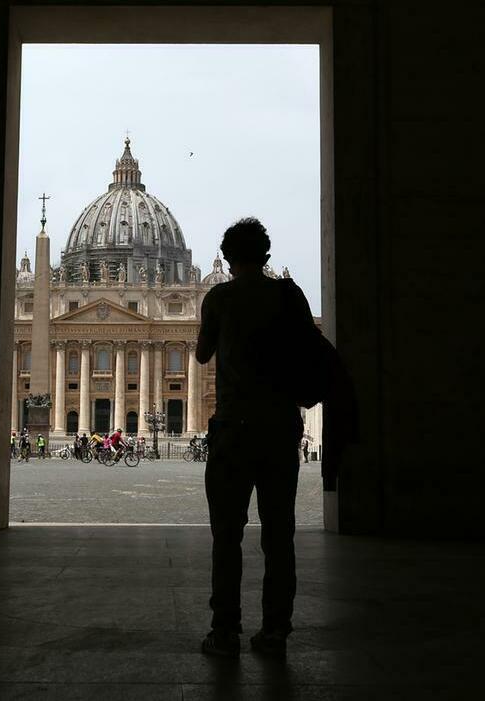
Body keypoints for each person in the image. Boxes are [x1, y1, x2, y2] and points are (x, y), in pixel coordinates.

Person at [196, 217, 318, 659]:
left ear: (227, 259)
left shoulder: (220, 297)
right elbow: (309, 347)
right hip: (281, 427)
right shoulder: (290, 296)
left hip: (233, 428)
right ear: (265, 255)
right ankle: (275, 630)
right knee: (279, 533)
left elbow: (202, 352)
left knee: (226, 534)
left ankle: (225, 629)